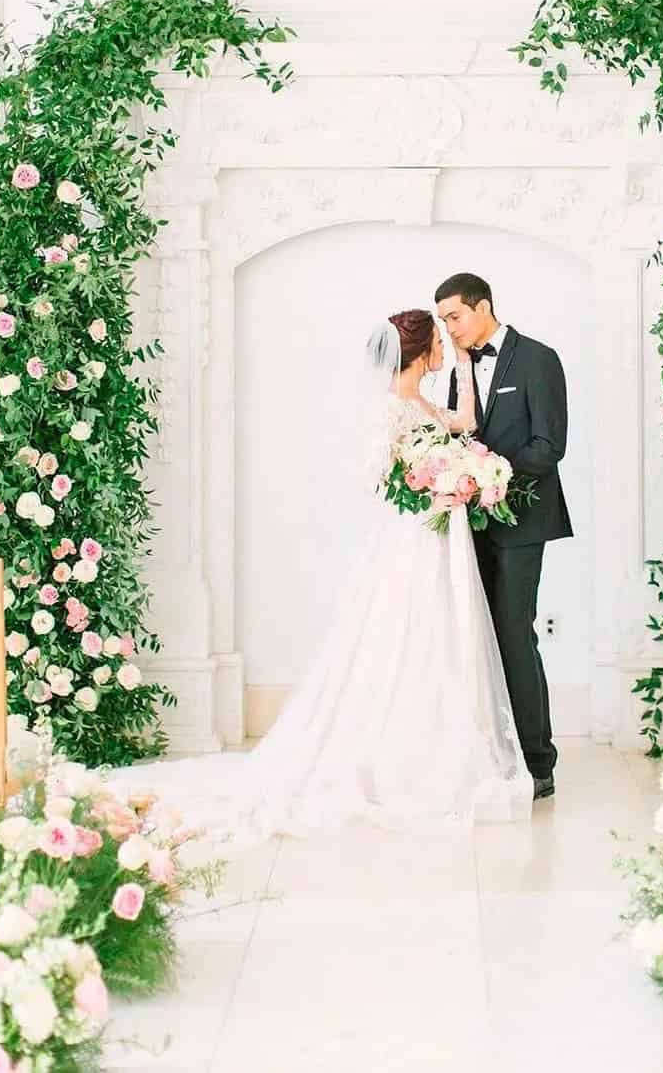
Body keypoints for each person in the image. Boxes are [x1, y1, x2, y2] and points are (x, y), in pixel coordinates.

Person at [106, 308, 532, 842]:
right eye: (442, 341)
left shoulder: (421, 398)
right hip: (416, 539)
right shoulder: (389, 408)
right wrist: (435, 488)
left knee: (445, 637)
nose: (447, 346)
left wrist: (465, 380)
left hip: (442, 538)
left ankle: (445, 746)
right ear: (421, 350)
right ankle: (400, 760)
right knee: (406, 636)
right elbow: (382, 480)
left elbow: (463, 426)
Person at [435, 273, 572, 800]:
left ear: (483, 307)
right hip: (470, 525)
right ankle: (493, 756)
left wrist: (493, 475)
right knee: (476, 639)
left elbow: (549, 445)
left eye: (454, 316)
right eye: (444, 320)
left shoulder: (539, 358)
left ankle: (539, 763)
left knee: (515, 634)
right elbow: (461, 437)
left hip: (523, 522)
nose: (449, 329)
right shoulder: (458, 371)